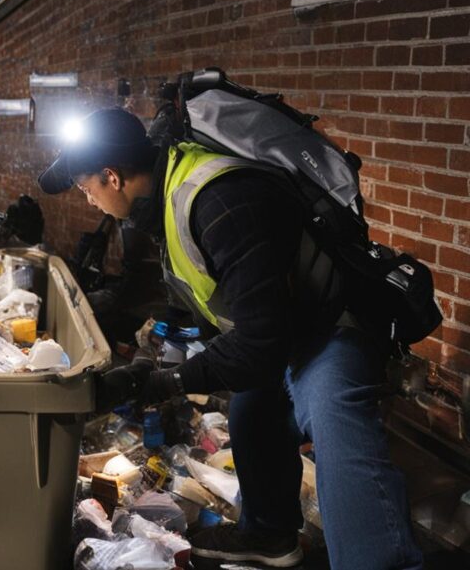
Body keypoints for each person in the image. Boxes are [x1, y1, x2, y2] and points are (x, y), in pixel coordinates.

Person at [37, 107, 424, 569]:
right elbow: (203, 309)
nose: (88, 201)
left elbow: (260, 342)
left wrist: (168, 383)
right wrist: (147, 369)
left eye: (86, 189)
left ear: (112, 176)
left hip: (334, 326)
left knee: (333, 414)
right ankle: (270, 537)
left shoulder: (218, 200)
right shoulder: (165, 199)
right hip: (289, 329)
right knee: (252, 412)